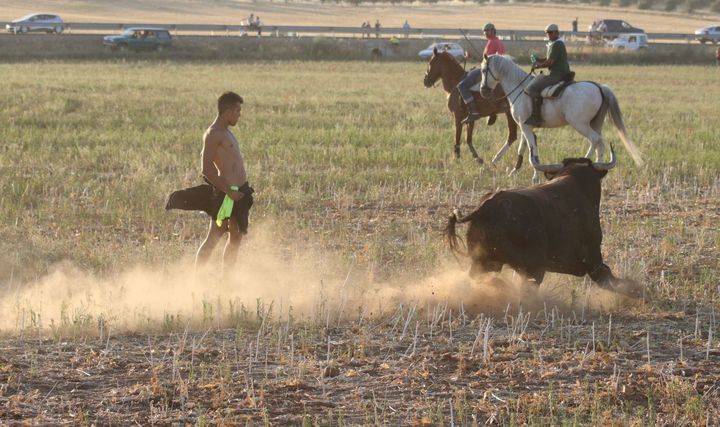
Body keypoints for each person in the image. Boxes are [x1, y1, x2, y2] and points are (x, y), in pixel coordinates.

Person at [166, 92, 254, 274]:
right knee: (214, 237)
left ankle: (226, 281)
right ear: (228, 111)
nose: (240, 114)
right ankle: (196, 281)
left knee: (236, 238)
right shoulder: (213, 134)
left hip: (238, 193)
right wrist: (229, 191)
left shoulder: (226, 133)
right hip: (228, 197)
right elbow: (206, 169)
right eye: (237, 110)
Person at [458, 22, 506, 125]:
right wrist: (472, 57)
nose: (485, 33)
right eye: (484, 31)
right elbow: (486, 60)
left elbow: (491, 61)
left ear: (493, 31)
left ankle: (473, 110)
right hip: (489, 70)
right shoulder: (498, 42)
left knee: (462, 86)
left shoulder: (493, 42)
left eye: (487, 30)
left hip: (487, 72)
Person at [524, 24, 572, 127]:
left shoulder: (557, 44)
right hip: (560, 73)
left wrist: (537, 66)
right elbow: (548, 58)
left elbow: (550, 62)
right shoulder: (555, 43)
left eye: (550, 33)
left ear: (556, 33)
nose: (548, 35)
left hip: (557, 75)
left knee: (532, 88)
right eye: (547, 33)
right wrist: (538, 59)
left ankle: (536, 116)